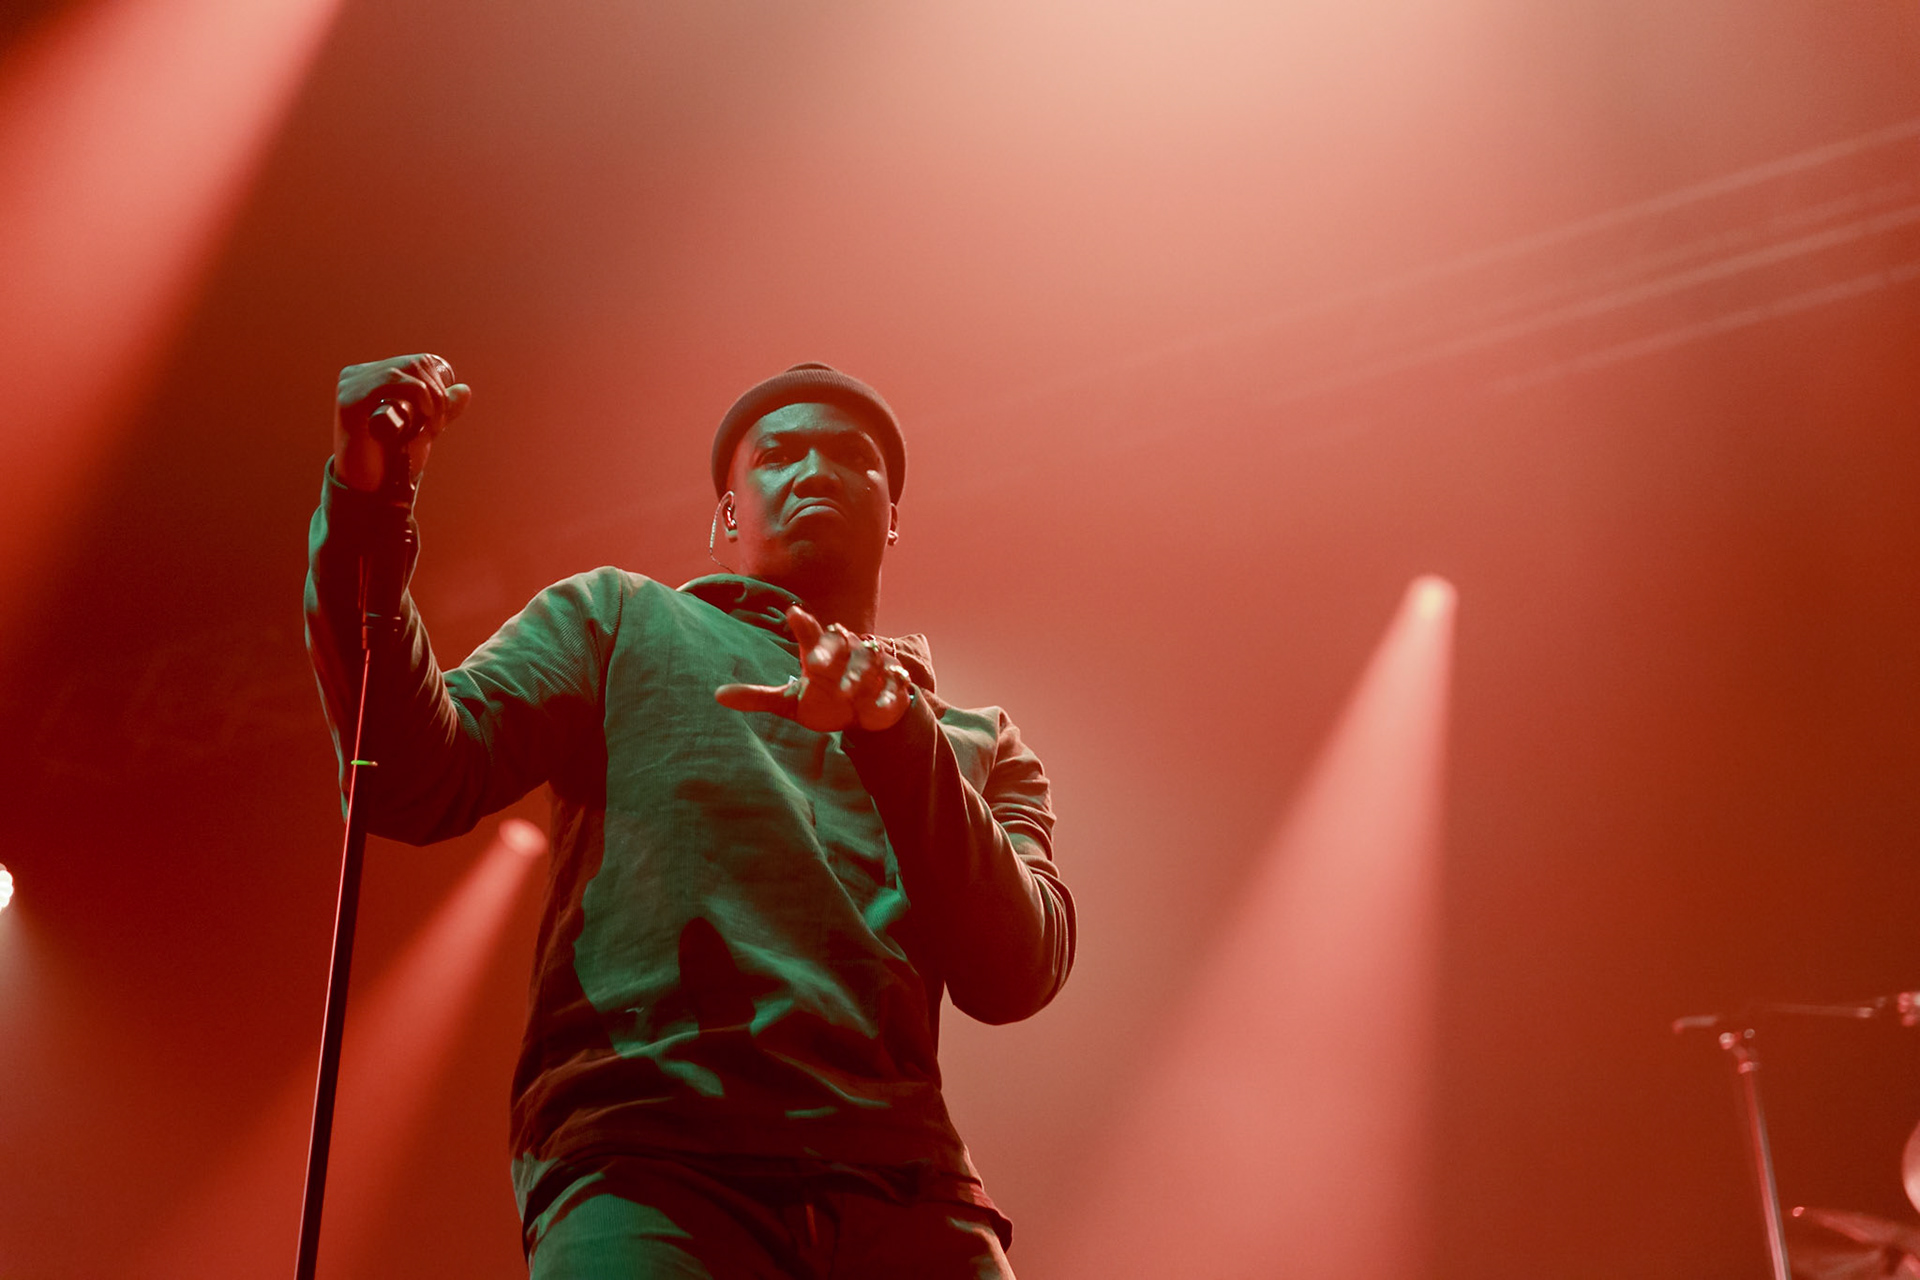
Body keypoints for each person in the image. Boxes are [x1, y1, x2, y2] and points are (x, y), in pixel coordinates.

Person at [304, 354, 1075, 1278]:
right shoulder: (617, 620)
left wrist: (895, 731)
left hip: (909, 1194)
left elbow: (1019, 970)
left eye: (850, 457)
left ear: (895, 516)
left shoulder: (974, 740)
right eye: (779, 455)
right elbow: (412, 776)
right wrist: (368, 509)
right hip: (649, 1162)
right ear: (727, 511)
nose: (815, 471)